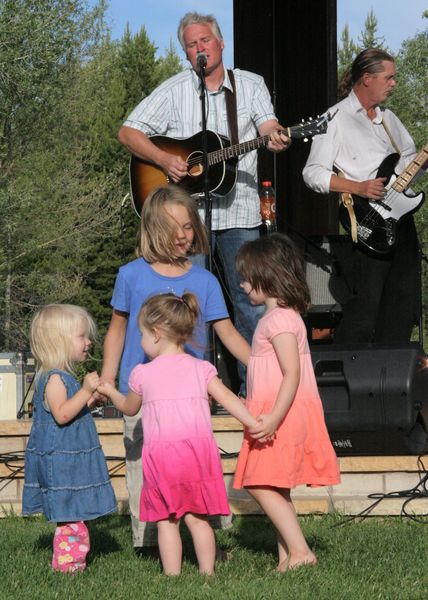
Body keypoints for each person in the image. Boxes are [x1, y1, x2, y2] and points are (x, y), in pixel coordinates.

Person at [117, 11, 291, 386]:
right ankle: (190, 385)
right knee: (187, 301)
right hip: (186, 219)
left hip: (241, 211)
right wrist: (164, 159)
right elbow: (128, 132)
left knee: (250, 302)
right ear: (185, 53)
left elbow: (267, 126)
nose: (200, 49)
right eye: (192, 45)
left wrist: (276, 134)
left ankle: (255, 388)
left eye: (205, 41)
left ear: (221, 42)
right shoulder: (175, 89)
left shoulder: (250, 84)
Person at [100, 185, 251, 553]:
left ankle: (204, 537)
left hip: (188, 401)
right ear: (153, 229)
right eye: (174, 228)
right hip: (141, 396)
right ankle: (148, 543)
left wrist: (262, 366)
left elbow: (227, 332)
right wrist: (106, 378)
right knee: (143, 470)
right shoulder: (131, 275)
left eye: (188, 226)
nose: (183, 235)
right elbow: (117, 330)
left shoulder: (204, 280)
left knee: (193, 470)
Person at [98, 292, 263, 575]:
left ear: (157, 333)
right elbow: (228, 399)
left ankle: (172, 577)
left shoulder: (141, 374)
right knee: (198, 519)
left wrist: (109, 390)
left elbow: (128, 408)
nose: (139, 341)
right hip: (197, 455)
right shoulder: (202, 369)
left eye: (141, 334)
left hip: (161, 457)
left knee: (166, 521)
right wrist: (253, 422)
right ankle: (207, 573)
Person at [233, 233, 340, 571]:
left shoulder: (278, 320)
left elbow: (291, 373)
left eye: (248, 276)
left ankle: (301, 551)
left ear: (269, 275)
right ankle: (287, 556)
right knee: (276, 485)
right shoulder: (284, 316)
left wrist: (274, 418)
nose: (242, 283)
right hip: (280, 412)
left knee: (258, 482)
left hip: (280, 414)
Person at [303, 48, 423, 344]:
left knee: (403, 306)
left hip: (402, 219)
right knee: (366, 308)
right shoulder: (335, 118)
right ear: (367, 78)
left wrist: (420, 163)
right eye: (389, 77)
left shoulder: (389, 120)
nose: (394, 83)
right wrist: (358, 187)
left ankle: (395, 379)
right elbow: (312, 173)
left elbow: (407, 167)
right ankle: (355, 377)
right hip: (369, 222)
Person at [22, 304, 116, 574]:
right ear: (60, 342)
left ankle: (72, 561)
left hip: (69, 459)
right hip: (60, 464)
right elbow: (62, 415)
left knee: (73, 513)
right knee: (70, 517)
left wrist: (88, 399)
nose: (89, 342)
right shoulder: (54, 380)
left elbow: (70, 412)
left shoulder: (63, 378)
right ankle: (69, 566)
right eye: (82, 336)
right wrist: (86, 389)